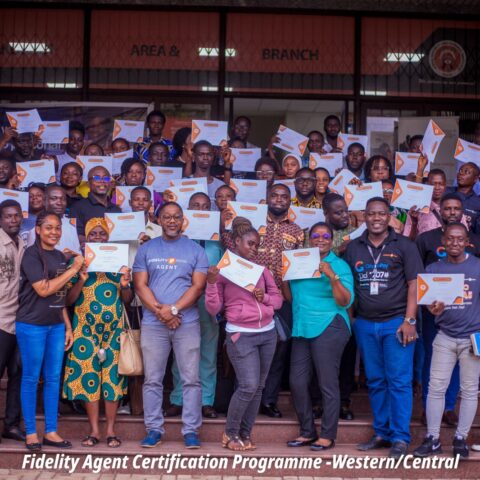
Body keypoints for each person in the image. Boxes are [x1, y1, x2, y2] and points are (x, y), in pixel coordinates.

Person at [344, 197, 423, 458]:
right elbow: (349, 286)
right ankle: (382, 432)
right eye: (371, 214)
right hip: (365, 325)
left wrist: (410, 320)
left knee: (399, 382)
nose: (376, 218)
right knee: (376, 381)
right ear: (364, 216)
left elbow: (414, 284)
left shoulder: (405, 246)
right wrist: (354, 320)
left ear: (389, 216)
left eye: (381, 214)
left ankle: (400, 437)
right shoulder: (354, 247)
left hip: (396, 323)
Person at [133, 202, 208, 449]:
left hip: (187, 323)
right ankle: (154, 428)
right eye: (167, 217)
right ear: (159, 220)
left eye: (176, 217)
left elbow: (198, 287)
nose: (172, 221)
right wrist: (161, 311)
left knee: (191, 379)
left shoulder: (196, 250)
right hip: (154, 324)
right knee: (153, 379)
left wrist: (173, 310)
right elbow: (140, 285)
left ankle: (191, 430)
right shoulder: (147, 249)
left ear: (183, 220)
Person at [205, 222, 283, 451]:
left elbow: (277, 300)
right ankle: (229, 433)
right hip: (241, 335)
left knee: (258, 387)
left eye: (257, 245)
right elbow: (213, 308)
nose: (254, 248)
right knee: (248, 385)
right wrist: (210, 283)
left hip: (267, 333)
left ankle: (245, 434)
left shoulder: (262, 270)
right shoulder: (222, 272)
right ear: (236, 243)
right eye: (250, 243)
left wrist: (264, 298)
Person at [16, 212, 84, 450]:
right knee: (31, 378)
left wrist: (67, 326)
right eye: (48, 228)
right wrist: (73, 270)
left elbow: (60, 295)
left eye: (57, 228)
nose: (54, 233)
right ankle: (32, 433)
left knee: (54, 379)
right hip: (32, 325)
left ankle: (52, 432)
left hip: (55, 325)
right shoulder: (31, 255)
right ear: (37, 229)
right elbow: (44, 290)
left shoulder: (58, 256)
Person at [63, 218, 132, 448]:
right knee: (88, 377)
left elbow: (128, 300)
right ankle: (94, 430)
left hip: (112, 332)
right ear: (86, 238)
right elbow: (69, 300)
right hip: (84, 330)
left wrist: (124, 284)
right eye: (94, 234)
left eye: (103, 234)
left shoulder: (119, 265)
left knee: (112, 380)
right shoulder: (78, 263)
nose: (99, 238)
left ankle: (111, 430)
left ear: (108, 238)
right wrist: (81, 279)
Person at [413, 223, 480, 459]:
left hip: (474, 338)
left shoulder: (478, 267)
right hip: (445, 337)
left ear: (467, 242)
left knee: (470, 391)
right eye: (450, 239)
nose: (454, 243)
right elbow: (428, 307)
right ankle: (432, 438)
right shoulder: (432, 269)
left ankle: (460, 438)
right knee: (435, 389)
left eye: (459, 239)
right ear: (443, 241)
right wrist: (433, 309)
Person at [285, 222, 353, 451]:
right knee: (297, 381)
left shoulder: (339, 265)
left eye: (326, 235)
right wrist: (283, 275)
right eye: (315, 235)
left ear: (332, 240)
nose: (320, 239)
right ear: (309, 239)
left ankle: (327, 435)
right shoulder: (299, 263)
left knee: (327, 382)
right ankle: (306, 432)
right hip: (302, 327)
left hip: (329, 325)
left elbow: (346, 301)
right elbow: (290, 296)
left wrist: (332, 276)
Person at [167, 192, 223, 419]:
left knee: (208, 352)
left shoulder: (217, 241)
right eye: (195, 206)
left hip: (208, 301)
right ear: (187, 211)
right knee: (181, 351)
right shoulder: (176, 239)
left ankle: (206, 400)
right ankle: (178, 399)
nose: (200, 208)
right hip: (181, 301)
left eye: (205, 206)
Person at [256, 184, 304, 418]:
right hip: (250, 296)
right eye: (274, 195)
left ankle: (268, 400)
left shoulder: (297, 231)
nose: (278, 200)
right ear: (267, 198)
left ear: (290, 201)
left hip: (283, 298)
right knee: (248, 347)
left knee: (278, 350)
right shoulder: (253, 222)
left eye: (284, 197)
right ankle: (246, 397)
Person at [0, 200, 26, 443]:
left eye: (16, 216)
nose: (13, 220)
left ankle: (11, 424)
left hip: (18, 319)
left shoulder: (22, 244)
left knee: (17, 372)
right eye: (8, 216)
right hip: (0, 318)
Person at [69, 166, 121, 242]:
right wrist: (97, 241)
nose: (102, 181)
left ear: (110, 183)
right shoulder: (78, 207)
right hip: (88, 253)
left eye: (106, 178)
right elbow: (75, 235)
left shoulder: (116, 210)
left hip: (113, 252)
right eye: (97, 178)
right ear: (88, 184)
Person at [26, 185, 80, 254]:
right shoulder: (36, 230)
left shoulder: (71, 226)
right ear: (44, 201)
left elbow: (77, 254)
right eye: (54, 198)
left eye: (63, 199)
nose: (59, 203)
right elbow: (32, 259)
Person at [190, 141, 225, 207]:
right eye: (201, 154)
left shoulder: (220, 185)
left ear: (213, 157)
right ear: (194, 156)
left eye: (209, 154)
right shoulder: (185, 183)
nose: (205, 158)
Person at [453, 162, 480, 234]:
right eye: (460, 171)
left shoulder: (478, 203)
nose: (461, 173)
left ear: (476, 179)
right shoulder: (444, 192)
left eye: (467, 172)